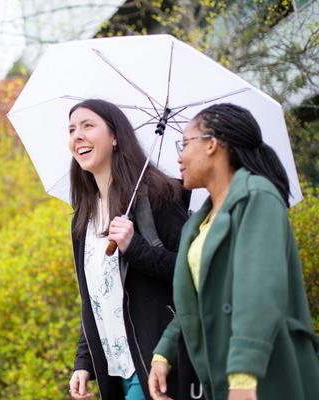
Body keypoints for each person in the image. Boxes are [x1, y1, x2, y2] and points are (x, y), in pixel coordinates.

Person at [148, 103, 319, 400]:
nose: (179, 157)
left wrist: (243, 376)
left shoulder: (258, 197)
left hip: (265, 374)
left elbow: (258, 291)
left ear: (212, 144)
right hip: (221, 376)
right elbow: (199, 301)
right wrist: (164, 353)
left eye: (185, 143)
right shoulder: (198, 223)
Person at [67, 99, 191, 400]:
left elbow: (191, 273)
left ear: (115, 136)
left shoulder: (159, 196)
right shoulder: (83, 219)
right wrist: (84, 362)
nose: (77, 136)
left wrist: (135, 248)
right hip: (114, 369)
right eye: (71, 130)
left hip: (156, 359)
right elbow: (94, 298)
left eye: (88, 126)